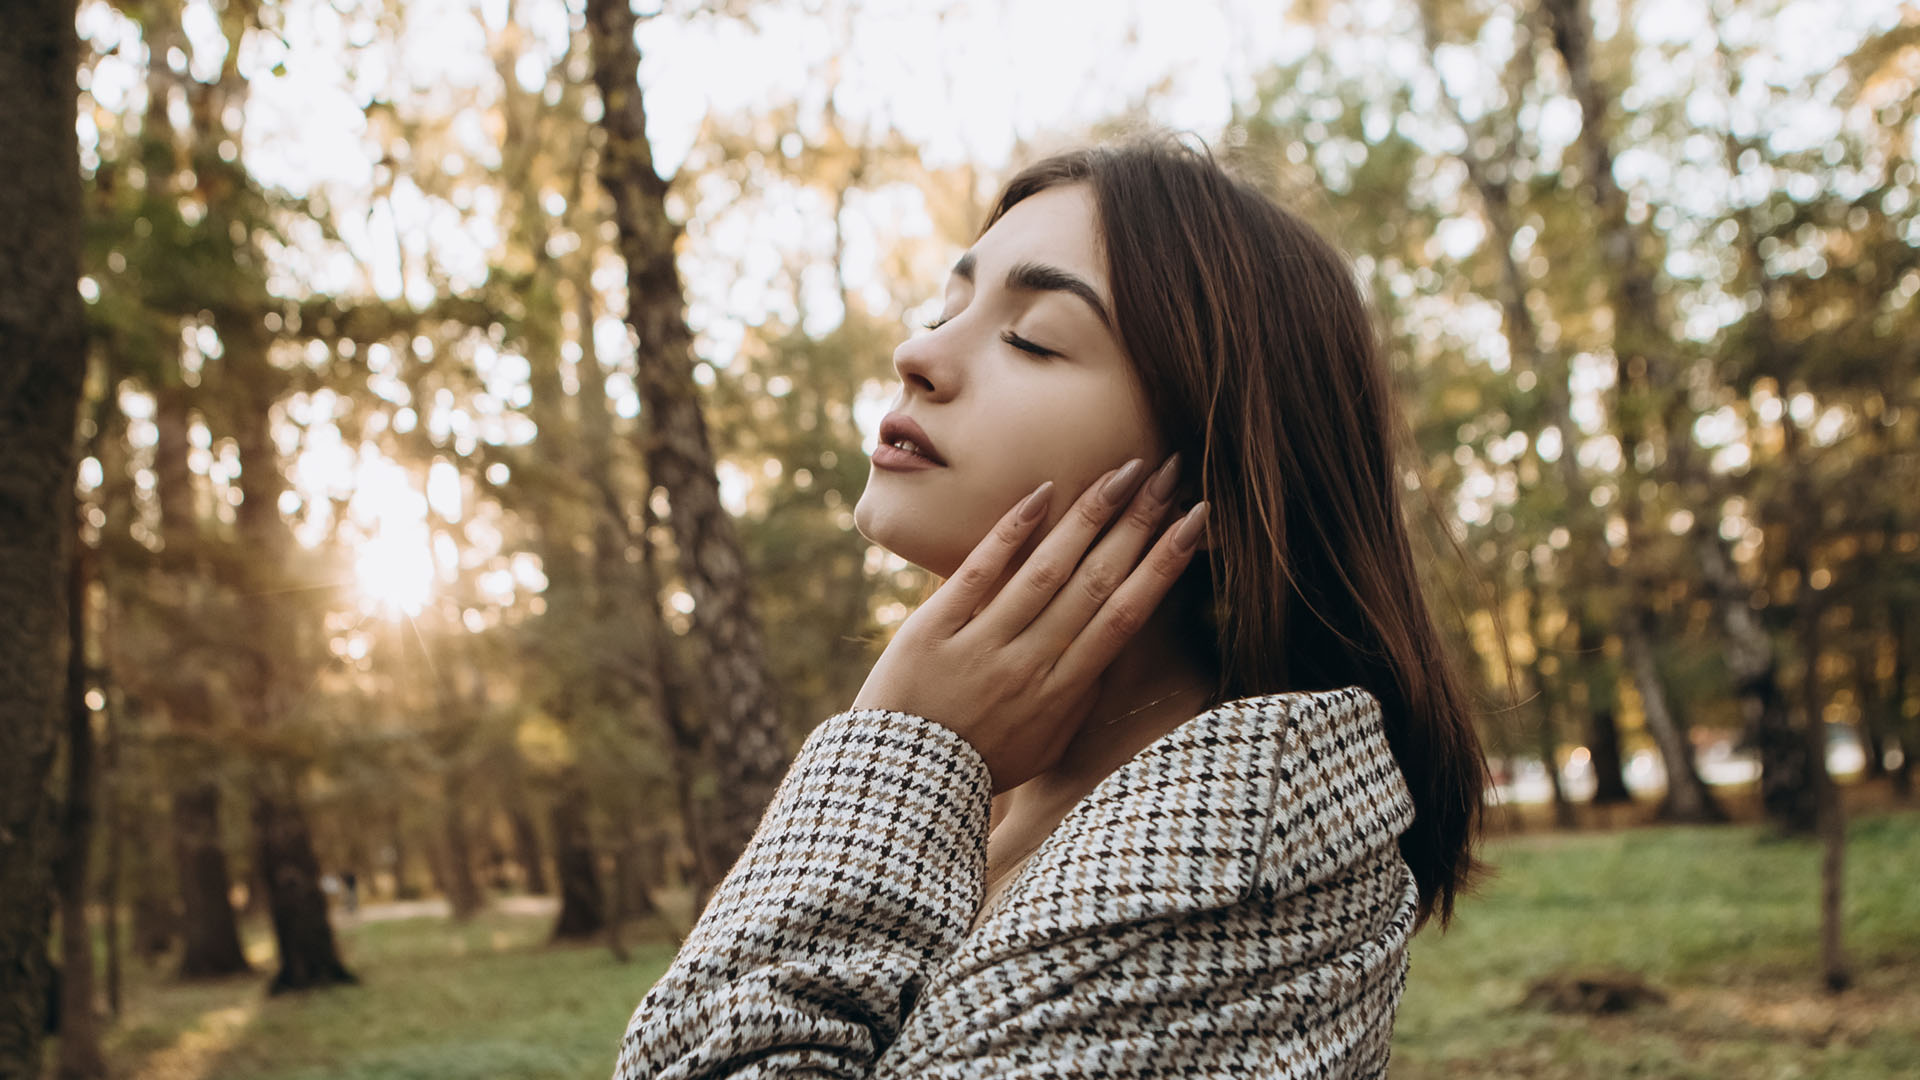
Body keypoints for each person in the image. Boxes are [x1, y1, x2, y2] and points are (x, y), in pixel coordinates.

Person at [613, 135, 1489, 1078]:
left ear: (1221, 465)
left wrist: (897, 749)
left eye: (1032, 337)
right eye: (945, 309)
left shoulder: (1240, 838)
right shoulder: (1001, 786)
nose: (916, 354)